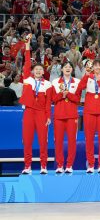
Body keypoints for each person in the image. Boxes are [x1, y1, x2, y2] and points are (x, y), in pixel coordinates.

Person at [20, 34, 52, 174]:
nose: (38, 71)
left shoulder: (48, 84)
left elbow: (48, 103)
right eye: (36, 69)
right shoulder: (27, 79)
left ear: (43, 72)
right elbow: (27, 62)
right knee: (27, 141)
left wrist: (48, 117)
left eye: (40, 70)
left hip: (41, 114)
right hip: (28, 112)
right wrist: (27, 46)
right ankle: (27, 166)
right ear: (33, 71)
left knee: (42, 141)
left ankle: (43, 166)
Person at [76, 58, 100, 174]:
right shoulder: (88, 76)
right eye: (95, 66)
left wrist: (99, 80)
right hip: (89, 110)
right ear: (93, 67)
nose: (97, 68)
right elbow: (79, 87)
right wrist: (86, 75)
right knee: (89, 139)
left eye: (99, 66)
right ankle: (91, 164)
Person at [51, 62, 81, 174]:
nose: (68, 68)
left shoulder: (77, 82)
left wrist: (67, 94)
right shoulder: (54, 82)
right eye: (65, 67)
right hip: (59, 115)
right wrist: (61, 95)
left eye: (70, 67)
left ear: (72, 69)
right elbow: (53, 98)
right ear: (62, 69)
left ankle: (69, 165)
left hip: (72, 115)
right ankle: (59, 165)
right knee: (58, 142)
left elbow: (78, 99)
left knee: (72, 141)